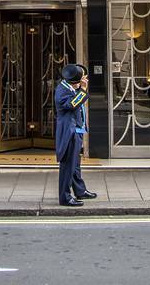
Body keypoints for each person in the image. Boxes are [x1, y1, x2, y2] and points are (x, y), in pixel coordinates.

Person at [54, 64, 96, 207]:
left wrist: (80, 89)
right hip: (69, 133)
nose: (85, 79)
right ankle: (65, 197)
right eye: (83, 76)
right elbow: (72, 104)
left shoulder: (69, 87)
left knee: (75, 165)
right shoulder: (62, 91)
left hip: (76, 131)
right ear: (76, 80)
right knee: (68, 166)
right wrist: (83, 90)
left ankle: (80, 190)